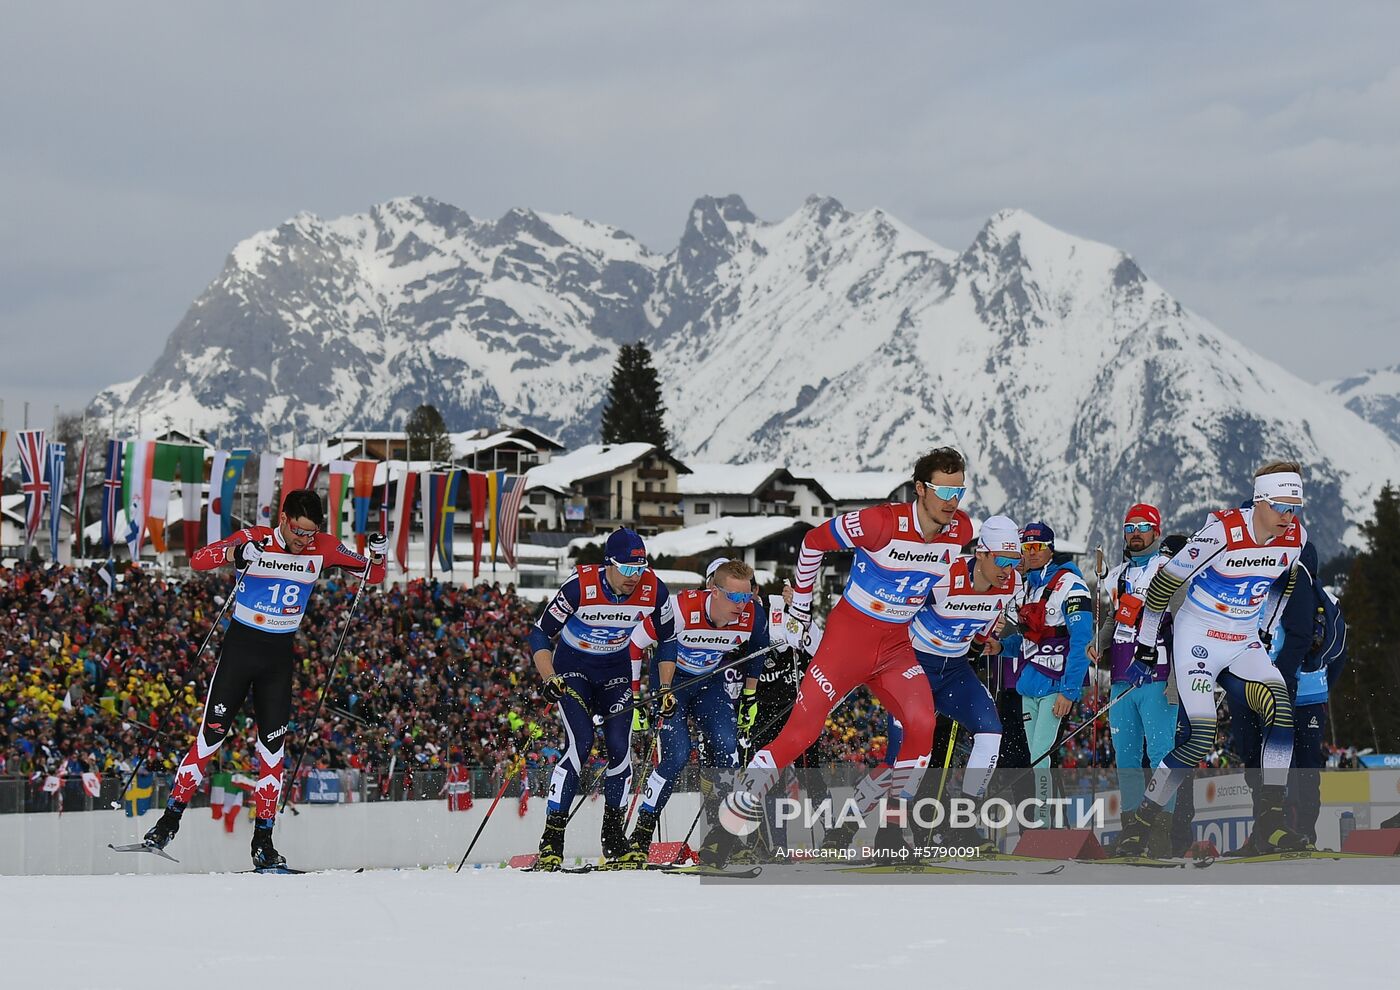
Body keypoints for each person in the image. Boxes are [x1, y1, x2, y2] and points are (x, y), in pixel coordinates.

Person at [703, 447, 972, 865]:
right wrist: (800, 608)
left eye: (959, 491)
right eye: (942, 490)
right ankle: (724, 832)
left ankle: (892, 832)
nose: (951, 501)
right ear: (920, 488)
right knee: (799, 735)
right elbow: (812, 544)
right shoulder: (879, 522)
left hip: (895, 647)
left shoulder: (961, 531)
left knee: (922, 724)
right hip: (848, 642)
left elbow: (936, 586)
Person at [140, 489, 387, 870]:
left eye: (312, 533)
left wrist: (378, 552)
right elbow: (198, 560)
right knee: (210, 738)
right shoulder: (255, 538)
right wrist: (235, 554)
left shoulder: (324, 546)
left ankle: (263, 844)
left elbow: (374, 574)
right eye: (300, 532)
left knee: (272, 753)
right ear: (284, 519)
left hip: (278, 659)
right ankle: (167, 822)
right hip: (240, 652)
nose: (306, 541)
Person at [1116, 461, 1311, 855]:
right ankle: (1140, 825)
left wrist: (1267, 627)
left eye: (1295, 507)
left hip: (1241, 640)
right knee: (1199, 737)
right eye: (1280, 507)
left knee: (1282, 712)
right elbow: (1165, 581)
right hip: (1198, 637)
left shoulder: (1295, 537)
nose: (1288, 517)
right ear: (1259, 501)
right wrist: (1148, 644)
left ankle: (1272, 822)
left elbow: (1285, 581)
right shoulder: (1222, 532)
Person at [527, 528, 676, 871]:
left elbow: (668, 640)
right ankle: (551, 840)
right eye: (626, 569)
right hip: (573, 669)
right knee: (580, 743)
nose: (633, 578)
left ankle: (614, 839)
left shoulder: (654, 589)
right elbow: (539, 632)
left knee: (620, 748)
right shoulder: (580, 587)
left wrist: (665, 686)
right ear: (608, 564)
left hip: (615, 671)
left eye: (639, 570)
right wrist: (549, 677)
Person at [885, 514, 1022, 851]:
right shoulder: (944, 578)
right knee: (905, 751)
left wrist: (982, 643)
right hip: (915, 668)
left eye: (1015, 560)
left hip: (956, 669)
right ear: (982, 553)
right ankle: (886, 831)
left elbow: (986, 622)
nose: (1008, 569)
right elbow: (898, 612)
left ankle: (963, 822)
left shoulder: (1014, 584)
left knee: (991, 732)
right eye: (1003, 559)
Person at [626, 559, 770, 858]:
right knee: (677, 753)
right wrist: (635, 696)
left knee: (728, 749)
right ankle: (642, 833)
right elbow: (635, 642)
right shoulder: (681, 609)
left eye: (747, 596)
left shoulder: (753, 614)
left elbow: (758, 651)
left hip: (709, 682)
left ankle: (726, 836)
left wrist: (750, 697)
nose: (743, 604)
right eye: (735, 597)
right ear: (713, 591)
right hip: (671, 681)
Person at [1091, 503, 1180, 854]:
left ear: (1157, 532)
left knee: (1161, 755)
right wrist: (1097, 644)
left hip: (1158, 676)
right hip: (1121, 679)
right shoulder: (1118, 576)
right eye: (1130, 527)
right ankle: (1131, 831)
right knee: (1126, 757)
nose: (1136, 533)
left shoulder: (1170, 569)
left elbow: (1182, 618)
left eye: (1144, 527)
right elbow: (1116, 617)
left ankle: (1160, 831)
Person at [998, 521, 1093, 828]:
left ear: (1050, 548)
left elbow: (1082, 642)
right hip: (1029, 685)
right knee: (1032, 758)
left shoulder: (1070, 584)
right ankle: (1041, 826)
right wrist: (998, 648)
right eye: (1027, 547)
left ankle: (1042, 824)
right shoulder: (1026, 587)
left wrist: (1070, 691)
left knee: (1039, 757)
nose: (1032, 553)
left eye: (1038, 547)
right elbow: (1026, 642)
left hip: (1056, 684)